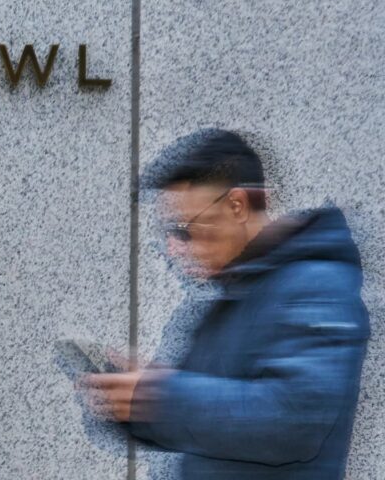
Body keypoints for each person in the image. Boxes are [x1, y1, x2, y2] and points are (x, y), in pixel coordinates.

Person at [80, 128, 370, 479]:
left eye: (184, 228)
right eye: (167, 233)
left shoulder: (315, 283)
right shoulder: (226, 299)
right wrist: (130, 403)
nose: (173, 248)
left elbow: (295, 420)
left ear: (237, 205)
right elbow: (205, 420)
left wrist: (157, 397)